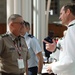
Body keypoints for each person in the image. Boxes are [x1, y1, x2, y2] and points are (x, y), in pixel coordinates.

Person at [43, 3, 75, 75]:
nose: (60, 17)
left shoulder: (72, 30)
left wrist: (53, 67)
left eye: (61, 13)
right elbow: (66, 54)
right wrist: (54, 49)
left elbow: (71, 60)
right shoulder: (71, 29)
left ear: (68, 12)